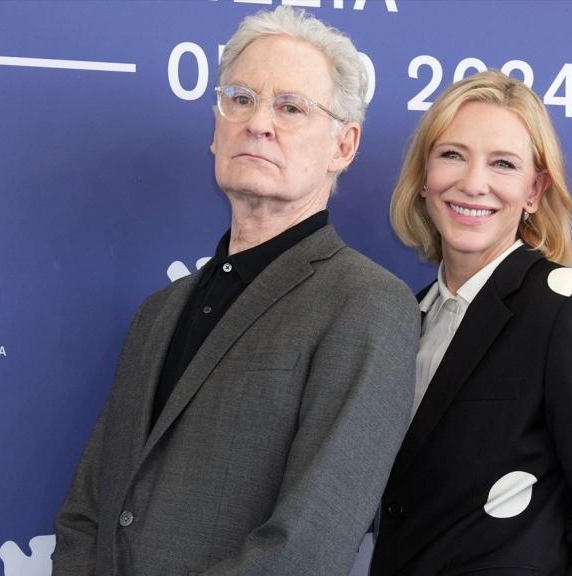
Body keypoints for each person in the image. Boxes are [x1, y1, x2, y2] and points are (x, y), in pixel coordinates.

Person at [53, 7, 419, 575]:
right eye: (241, 99)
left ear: (343, 146)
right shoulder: (157, 313)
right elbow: (87, 514)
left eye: (291, 107)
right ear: (216, 127)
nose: (258, 123)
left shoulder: (367, 305)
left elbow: (307, 545)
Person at [370, 70, 572, 576]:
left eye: (503, 163)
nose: (473, 182)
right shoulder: (405, 317)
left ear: (534, 190)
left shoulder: (567, 308)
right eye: (452, 155)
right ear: (423, 177)